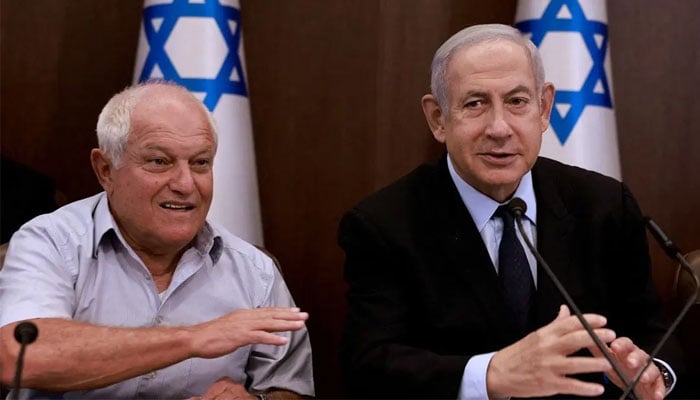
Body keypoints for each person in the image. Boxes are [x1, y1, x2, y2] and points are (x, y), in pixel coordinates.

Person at [339, 24, 680, 399]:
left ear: (544, 108)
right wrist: (489, 374)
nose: (499, 128)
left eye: (517, 101)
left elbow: (653, 332)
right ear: (438, 119)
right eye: (475, 103)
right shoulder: (384, 224)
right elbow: (369, 367)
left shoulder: (603, 205)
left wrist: (653, 373)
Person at [0, 81, 314, 398]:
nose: (185, 183)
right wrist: (193, 339)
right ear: (105, 169)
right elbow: (21, 355)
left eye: (200, 163)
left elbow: (291, 389)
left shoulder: (255, 272)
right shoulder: (48, 243)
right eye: (159, 161)